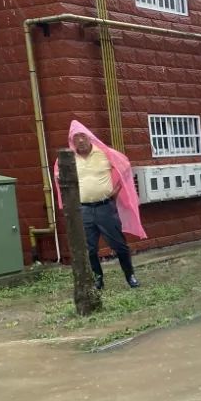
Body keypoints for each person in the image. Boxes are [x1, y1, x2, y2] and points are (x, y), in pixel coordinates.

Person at [56, 120, 146, 289]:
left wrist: (116, 189)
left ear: (89, 137)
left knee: (119, 245)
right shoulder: (68, 159)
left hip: (105, 207)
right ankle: (98, 280)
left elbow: (125, 166)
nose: (80, 140)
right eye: (76, 138)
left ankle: (130, 276)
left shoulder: (104, 153)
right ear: (71, 141)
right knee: (89, 249)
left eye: (83, 136)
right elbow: (58, 178)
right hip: (83, 210)